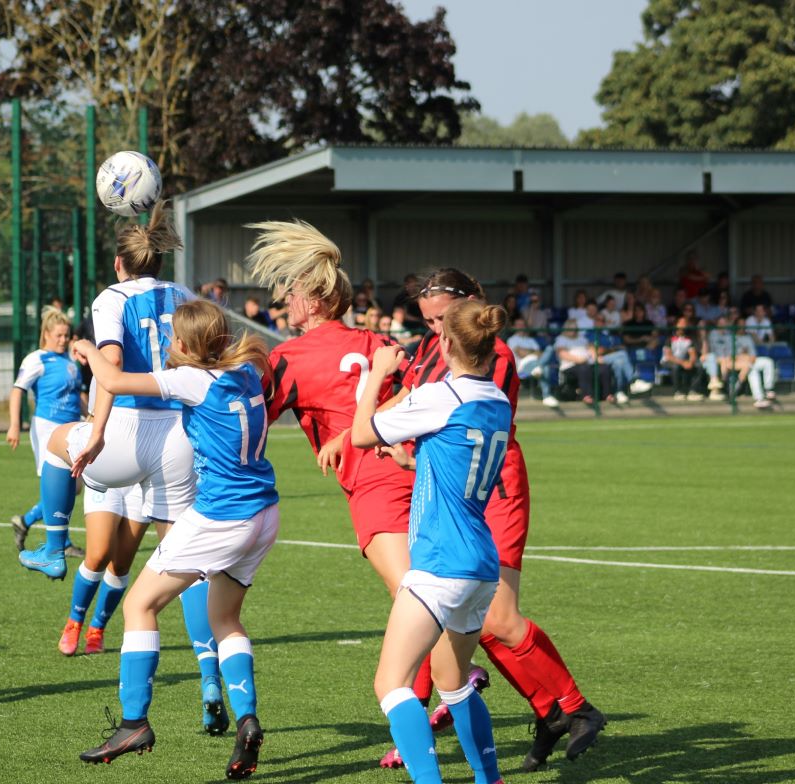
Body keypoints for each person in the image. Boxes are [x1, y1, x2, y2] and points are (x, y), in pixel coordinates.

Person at [247, 225, 493, 770]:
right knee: (428, 596)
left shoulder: (289, 357)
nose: (284, 301)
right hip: (421, 475)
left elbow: (251, 425)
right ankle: (455, 701)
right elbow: (421, 390)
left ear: (314, 299)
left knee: (419, 600)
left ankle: (451, 686)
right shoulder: (379, 343)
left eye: (290, 291)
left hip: (374, 486)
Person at [397, 269, 605, 771]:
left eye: (443, 319)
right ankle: (547, 711)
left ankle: (577, 709)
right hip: (453, 485)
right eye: (427, 321)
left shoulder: (491, 354)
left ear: (469, 307)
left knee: (493, 616)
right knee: (463, 614)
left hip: (491, 484)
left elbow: (460, 417)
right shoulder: (431, 348)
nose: (436, 330)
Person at [73, 300, 278, 780]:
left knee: (139, 606)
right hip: (265, 514)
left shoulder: (194, 379)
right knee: (225, 618)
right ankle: (246, 718)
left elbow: (118, 381)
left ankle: (133, 723)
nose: (169, 346)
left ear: (183, 345)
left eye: (173, 341)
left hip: (222, 517)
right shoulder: (246, 370)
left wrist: (87, 347)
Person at [44, 209, 225, 733]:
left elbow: (112, 369)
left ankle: (54, 543)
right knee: (188, 564)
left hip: (126, 429)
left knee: (58, 445)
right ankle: (208, 675)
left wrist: (96, 432)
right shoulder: (186, 294)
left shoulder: (110, 297)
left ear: (119, 262)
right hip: (181, 438)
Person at [351, 301, 511, 784]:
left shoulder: (444, 396)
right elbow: (461, 463)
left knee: (390, 683)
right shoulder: (498, 399)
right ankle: (490, 779)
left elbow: (361, 433)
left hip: (441, 561)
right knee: (453, 684)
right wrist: (413, 464)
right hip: (481, 564)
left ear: (444, 344)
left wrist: (378, 375)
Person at [6, 307, 85, 564]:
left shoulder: (69, 360)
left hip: (72, 428)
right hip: (48, 428)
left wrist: (91, 415)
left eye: (66, 335)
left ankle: (25, 521)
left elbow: (76, 395)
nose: (64, 339)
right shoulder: (36, 359)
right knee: (60, 484)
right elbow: (18, 390)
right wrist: (15, 424)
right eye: (59, 335)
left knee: (73, 488)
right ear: (47, 335)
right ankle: (63, 542)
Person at [664, 317, 707, 400]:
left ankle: (693, 391)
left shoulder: (689, 339)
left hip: (684, 361)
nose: (683, 325)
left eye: (685, 323)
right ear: (676, 325)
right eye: (681, 323)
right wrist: (683, 363)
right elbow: (669, 356)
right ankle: (678, 392)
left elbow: (693, 354)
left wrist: (690, 362)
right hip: (670, 361)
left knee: (699, 366)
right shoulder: (670, 338)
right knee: (675, 367)